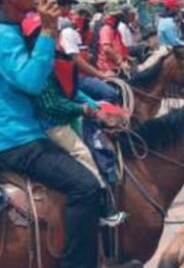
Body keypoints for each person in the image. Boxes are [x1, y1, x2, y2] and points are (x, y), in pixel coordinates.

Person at [0, 0, 106, 268]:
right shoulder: (1, 36)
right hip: (17, 140)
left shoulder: (5, 31)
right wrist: (47, 32)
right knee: (86, 186)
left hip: (24, 131)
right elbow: (32, 82)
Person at [22, 12, 124, 227]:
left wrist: (98, 108)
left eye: (50, 32)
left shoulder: (55, 58)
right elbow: (52, 105)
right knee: (83, 154)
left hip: (68, 116)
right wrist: (85, 109)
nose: (50, 36)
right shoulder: (36, 65)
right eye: (42, 33)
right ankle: (103, 208)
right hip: (51, 123)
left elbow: (73, 91)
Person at [54, 0, 119, 104]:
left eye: (87, 15)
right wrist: (101, 75)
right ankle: (94, 118)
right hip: (75, 76)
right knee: (111, 94)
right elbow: (76, 60)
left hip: (80, 74)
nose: (84, 18)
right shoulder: (67, 31)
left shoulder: (75, 31)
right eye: (67, 6)